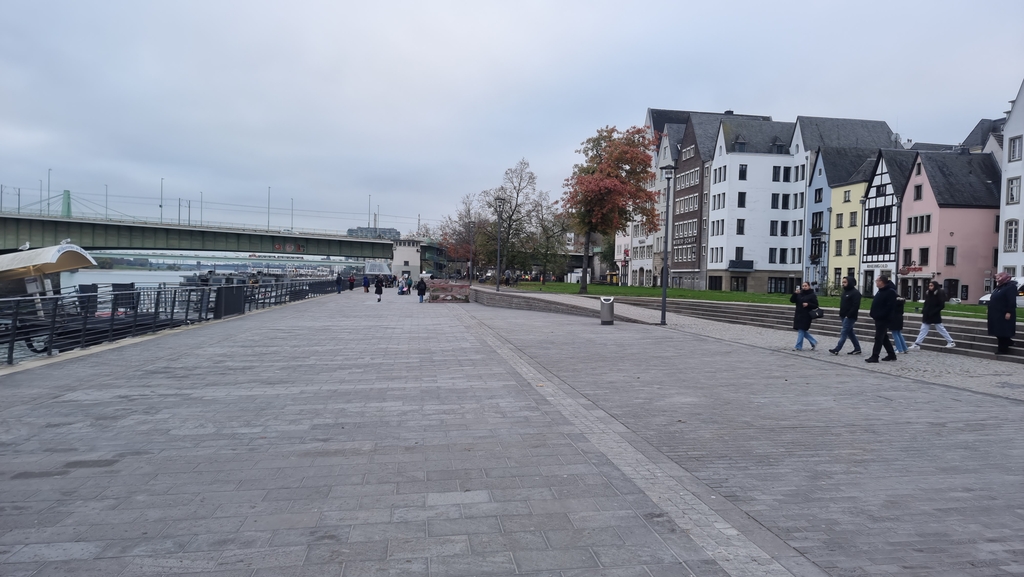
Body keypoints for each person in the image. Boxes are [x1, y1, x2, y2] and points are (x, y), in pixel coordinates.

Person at [909, 280, 956, 350]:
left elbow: (941, 305)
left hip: (934, 314)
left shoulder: (939, 293)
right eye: (929, 286)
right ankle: (917, 344)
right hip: (927, 314)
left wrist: (933, 312)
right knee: (923, 329)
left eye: (931, 286)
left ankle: (951, 341)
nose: (930, 287)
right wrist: (924, 311)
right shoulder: (928, 293)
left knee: (940, 328)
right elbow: (927, 303)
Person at [866, 275, 898, 363]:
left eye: (877, 280)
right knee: (884, 337)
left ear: (881, 282)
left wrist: (881, 315)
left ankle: (875, 356)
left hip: (884, 318)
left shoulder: (890, 292)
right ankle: (891, 354)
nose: (876, 282)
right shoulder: (880, 291)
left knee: (879, 337)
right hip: (878, 317)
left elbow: (890, 307)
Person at [829, 276, 862, 355]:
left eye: (845, 282)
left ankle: (837, 349)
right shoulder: (845, 292)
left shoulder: (856, 293)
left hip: (850, 316)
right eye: (843, 282)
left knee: (844, 332)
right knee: (850, 333)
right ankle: (857, 348)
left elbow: (855, 306)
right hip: (843, 315)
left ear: (850, 283)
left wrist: (849, 315)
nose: (843, 284)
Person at [987, 272, 1017, 354]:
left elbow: (1011, 301)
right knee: (997, 330)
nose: (997, 278)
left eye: (1000, 277)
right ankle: (1009, 342)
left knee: (1002, 331)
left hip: (1003, 313)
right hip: (996, 313)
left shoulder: (1010, 287)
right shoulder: (999, 287)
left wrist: (1009, 312)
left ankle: (1003, 349)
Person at [790, 282, 819, 351]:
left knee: (801, 330)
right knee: (802, 330)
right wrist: (795, 294)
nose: (804, 287)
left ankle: (798, 346)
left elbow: (816, 305)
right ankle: (813, 341)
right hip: (798, 314)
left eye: (805, 286)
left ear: (809, 286)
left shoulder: (812, 295)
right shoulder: (799, 294)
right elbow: (792, 300)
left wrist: (808, 304)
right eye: (803, 286)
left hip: (806, 315)